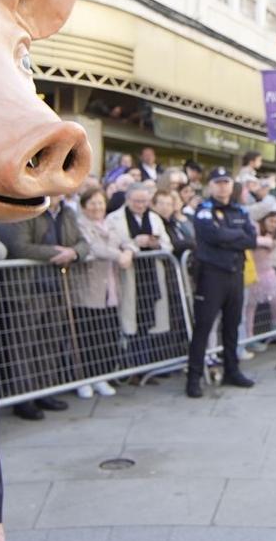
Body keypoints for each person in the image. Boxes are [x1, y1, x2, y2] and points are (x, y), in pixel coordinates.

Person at [0, 200, 81, 421]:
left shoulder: (68, 212)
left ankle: (45, 392)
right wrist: (56, 253)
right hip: (28, 290)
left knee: (49, 343)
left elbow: (83, 242)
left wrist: (73, 252)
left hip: (57, 288)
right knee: (23, 345)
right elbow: (18, 246)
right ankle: (24, 399)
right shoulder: (25, 209)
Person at [184, 167, 257, 398]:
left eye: (226, 182)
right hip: (211, 276)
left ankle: (232, 371)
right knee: (203, 327)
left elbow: (251, 239)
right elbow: (210, 236)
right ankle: (193, 378)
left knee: (232, 326)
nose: (222, 186)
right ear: (210, 186)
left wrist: (227, 236)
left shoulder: (240, 210)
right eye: (218, 182)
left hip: (235, 274)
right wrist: (234, 236)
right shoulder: (204, 210)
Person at [110, 184, 176, 370]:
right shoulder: (115, 218)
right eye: (137, 201)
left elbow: (168, 245)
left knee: (149, 319)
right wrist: (134, 243)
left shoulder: (154, 218)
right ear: (128, 200)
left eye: (144, 201)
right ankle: (129, 365)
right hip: (128, 274)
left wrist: (155, 244)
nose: (141, 205)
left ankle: (145, 364)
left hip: (151, 275)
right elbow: (111, 245)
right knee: (129, 319)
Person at [69, 186, 127, 400]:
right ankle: (83, 380)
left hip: (110, 290)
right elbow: (93, 248)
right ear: (84, 206)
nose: (97, 207)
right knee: (86, 337)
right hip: (87, 289)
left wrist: (129, 250)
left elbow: (126, 241)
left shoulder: (110, 223)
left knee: (106, 335)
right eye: (92, 203)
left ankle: (101, 377)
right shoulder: (80, 224)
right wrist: (119, 255)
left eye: (100, 203)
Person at [242, 200, 276, 345]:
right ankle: (249, 336)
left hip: (268, 271)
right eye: (271, 221)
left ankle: (275, 326)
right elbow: (250, 240)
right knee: (250, 306)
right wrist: (264, 241)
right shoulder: (254, 229)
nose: (274, 224)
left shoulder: (273, 233)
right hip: (254, 273)